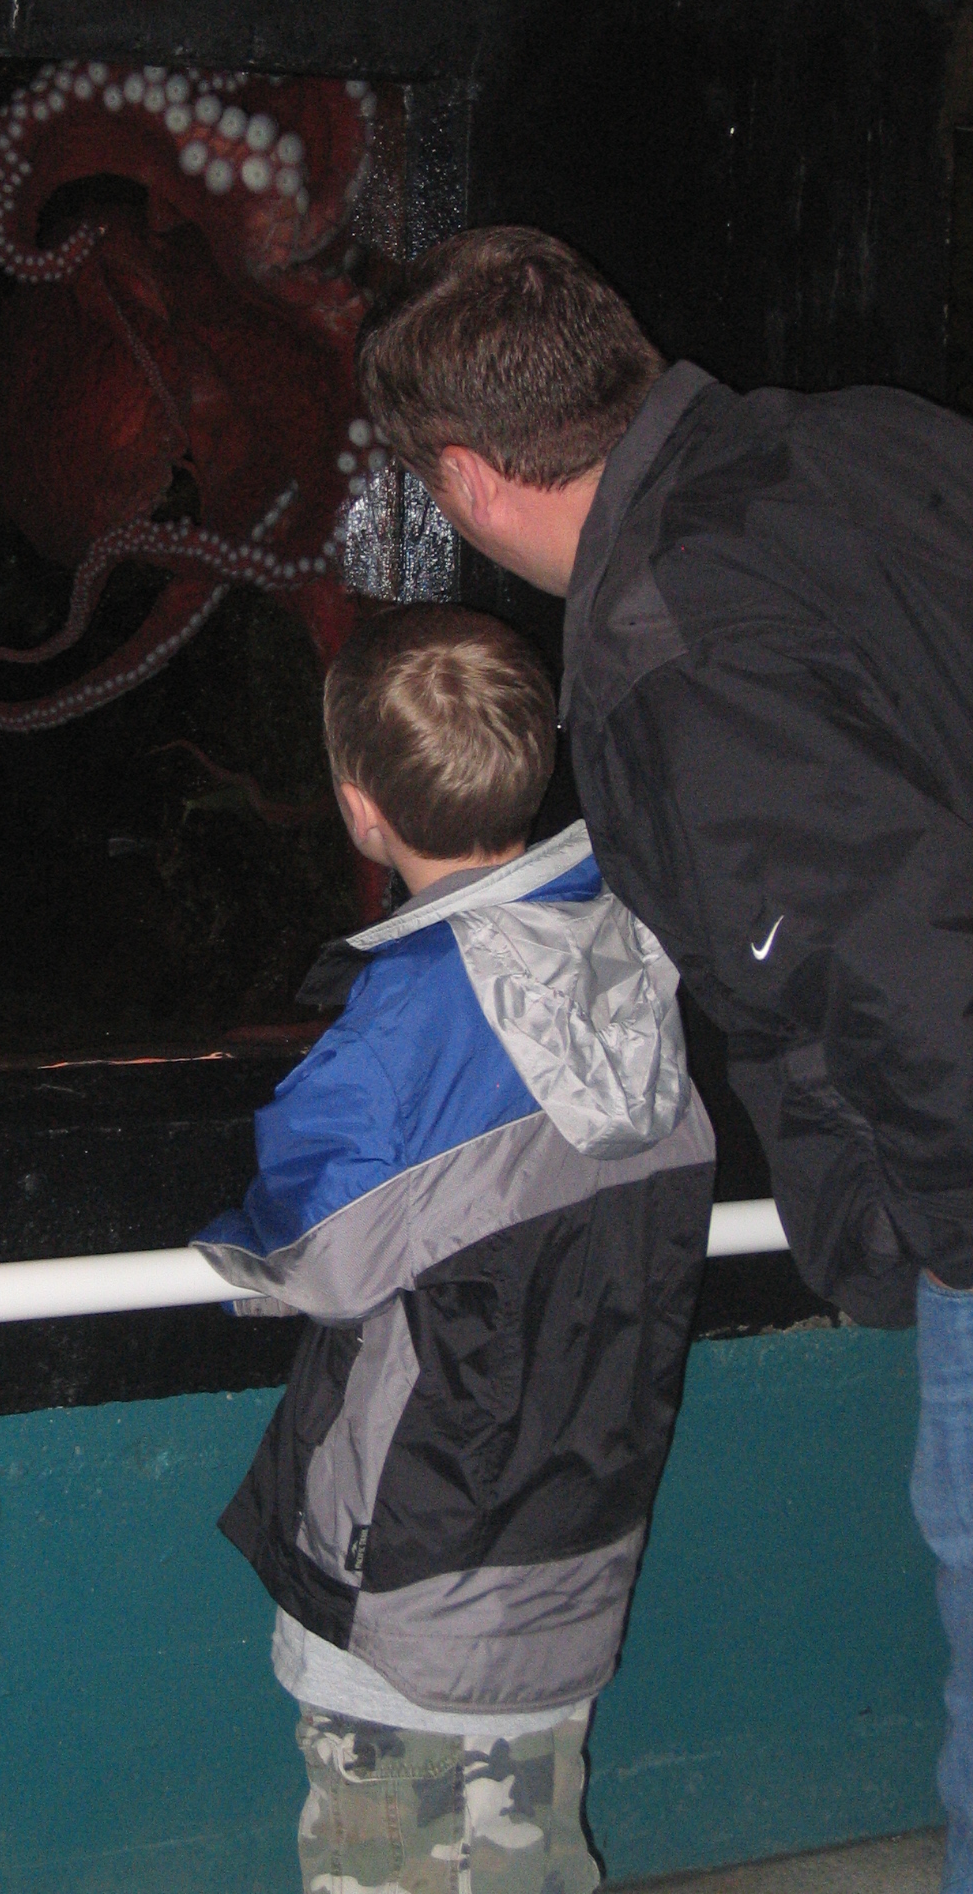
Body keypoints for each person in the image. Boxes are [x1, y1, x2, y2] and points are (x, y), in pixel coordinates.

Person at [355, 225, 973, 1891]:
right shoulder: (875, 441)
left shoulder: (666, 652)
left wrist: (932, 1243)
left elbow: (901, 974)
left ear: (471, 478)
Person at [193, 604, 716, 1894]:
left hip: (420, 1566)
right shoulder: (632, 952)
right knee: (534, 1852)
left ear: (361, 810)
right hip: (573, 1530)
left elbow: (309, 1251)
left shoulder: (411, 1025)